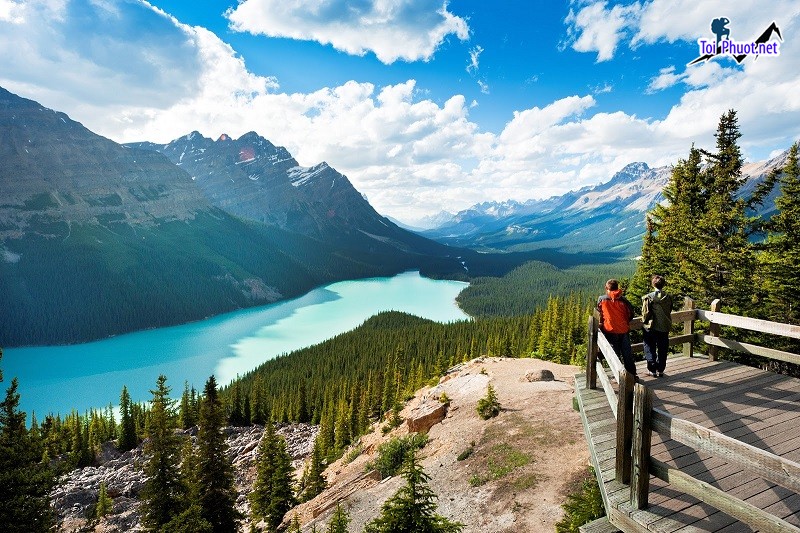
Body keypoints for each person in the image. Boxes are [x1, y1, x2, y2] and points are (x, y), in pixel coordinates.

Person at [597, 279, 636, 376]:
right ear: (617, 288)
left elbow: (599, 314)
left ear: (606, 288)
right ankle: (632, 376)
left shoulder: (602, 300)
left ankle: (619, 377)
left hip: (610, 330)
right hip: (623, 330)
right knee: (627, 355)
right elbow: (631, 314)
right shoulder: (623, 300)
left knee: (615, 356)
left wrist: (602, 323)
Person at [641, 275, 673, 377]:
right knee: (663, 348)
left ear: (653, 284)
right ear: (663, 284)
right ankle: (661, 370)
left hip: (652, 326)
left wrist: (644, 322)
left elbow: (645, 313)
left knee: (649, 347)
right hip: (664, 326)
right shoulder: (668, 297)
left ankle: (652, 370)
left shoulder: (648, 297)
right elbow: (669, 309)